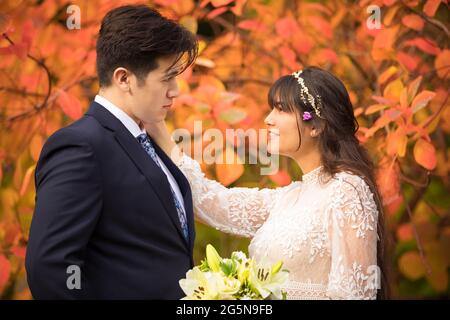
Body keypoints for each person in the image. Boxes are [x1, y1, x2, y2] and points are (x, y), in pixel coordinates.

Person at [146, 66, 388, 300]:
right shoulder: (288, 198)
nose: (269, 119)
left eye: (281, 110)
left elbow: (353, 296)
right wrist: (156, 126)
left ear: (316, 125)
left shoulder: (347, 190)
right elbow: (213, 202)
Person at [26, 4, 198, 299]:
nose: (176, 90)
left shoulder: (149, 139)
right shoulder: (81, 147)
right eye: (167, 78)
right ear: (123, 78)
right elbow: (50, 267)